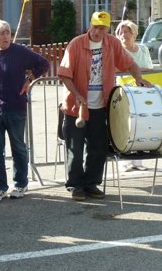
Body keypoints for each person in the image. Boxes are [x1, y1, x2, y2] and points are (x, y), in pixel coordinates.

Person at [59, 11, 151, 202]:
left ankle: (91, 184)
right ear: (89, 26)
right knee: (74, 150)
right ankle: (75, 185)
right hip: (76, 107)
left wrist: (139, 78)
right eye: (95, 26)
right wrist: (77, 95)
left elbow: (129, 63)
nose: (97, 31)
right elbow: (65, 74)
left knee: (98, 148)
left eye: (102, 28)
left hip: (101, 106)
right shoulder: (76, 44)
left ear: (107, 29)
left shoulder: (112, 44)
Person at [0, 20, 50, 202]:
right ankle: (0, 188)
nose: (5, 36)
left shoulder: (20, 52)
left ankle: (20, 184)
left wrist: (29, 80)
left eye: (7, 32)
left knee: (18, 147)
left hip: (15, 108)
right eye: (1, 33)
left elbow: (44, 63)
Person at [115, 20, 153, 172]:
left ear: (135, 34)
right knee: (125, 126)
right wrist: (137, 71)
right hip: (123, 93)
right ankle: (124, 160)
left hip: (142, 93)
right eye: (121, 32)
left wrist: (135, 71)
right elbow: (116, 70)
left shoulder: (143, 49)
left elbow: (149, 68)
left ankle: (138, 160)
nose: (124, 35)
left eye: (127, 31)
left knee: (141, 125)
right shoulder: (117, 50)